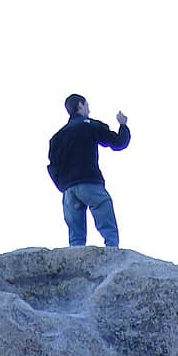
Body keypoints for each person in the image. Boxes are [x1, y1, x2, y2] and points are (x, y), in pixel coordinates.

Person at [47, 94, 130, 249]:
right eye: (87, 105)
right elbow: (118, 143)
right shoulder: (90, 125)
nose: (89, 110)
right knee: (106, 219)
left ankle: (75, 267)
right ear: (80, 105)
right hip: (90, 182)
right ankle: (113, 254)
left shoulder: (57, 137)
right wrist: (123, 125)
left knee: (76, 239)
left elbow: (52, 166)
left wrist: (63, 185)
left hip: (69, 190)